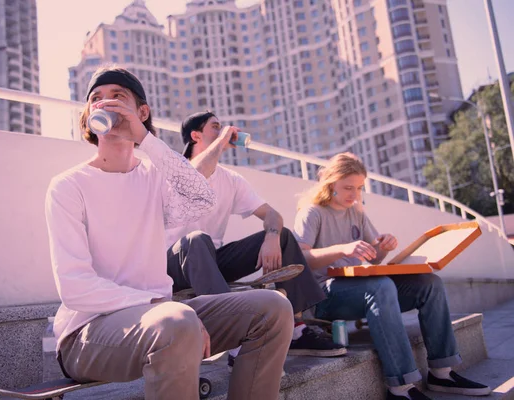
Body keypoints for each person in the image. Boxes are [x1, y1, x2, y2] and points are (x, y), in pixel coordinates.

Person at [45, 66, 294, 400]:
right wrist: (160, 305)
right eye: (95, 99)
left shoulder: (154, 177)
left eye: (118, 96)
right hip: (86, 335)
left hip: (164, 318)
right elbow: (76, 288)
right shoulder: (68, 186)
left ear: (142, 112)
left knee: (273, 308)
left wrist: (146, 138)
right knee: (177, 322)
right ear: (89, 114)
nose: (105, 104)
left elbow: (201, 197)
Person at [293, 152, 491, 400]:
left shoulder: (357, 213)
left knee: (429, 283)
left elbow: (374, 259)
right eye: (347, 188)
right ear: (330, 183)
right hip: (324, 296)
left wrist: (384, 246)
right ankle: (400, 388)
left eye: (359, 188)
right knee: (381, 286)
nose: (354, 195)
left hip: (360, 287)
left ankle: (442, 372)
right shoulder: (312, 213)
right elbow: (300, 259)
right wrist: (341, 249)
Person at [166, 111, 346, 371]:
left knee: (283, 235)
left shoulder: (231, 179)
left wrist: (272, 236)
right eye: (215, 127)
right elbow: (194, 179)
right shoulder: (176, 170)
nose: (225, 130)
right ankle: (237, 339)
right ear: (196, 136)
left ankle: (297, 329)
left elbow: (272, 214)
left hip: (211, 259)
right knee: (197, 240)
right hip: (172, 264)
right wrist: (223, 138)